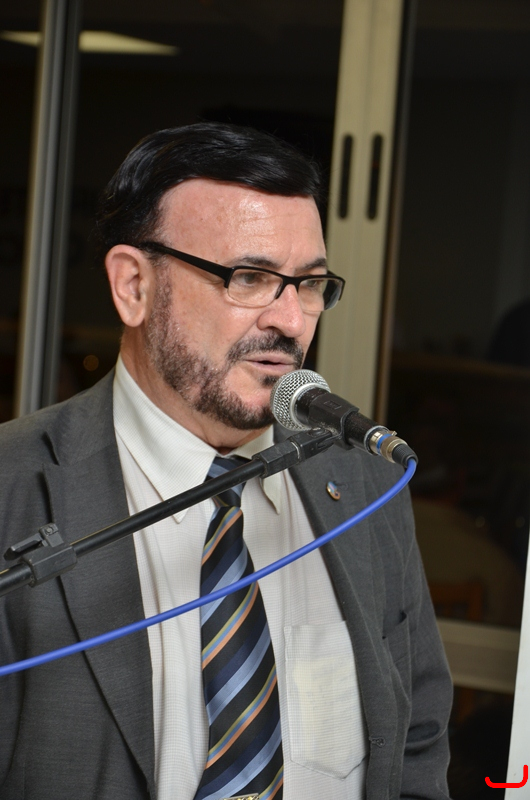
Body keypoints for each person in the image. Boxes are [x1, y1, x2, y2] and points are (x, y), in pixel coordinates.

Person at [0, 123, 452, 800]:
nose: (291, 321)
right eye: (250, 278)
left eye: (309, 285)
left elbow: (416, 739)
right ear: (133, 286)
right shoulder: (11, 487)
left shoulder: (364, 480)